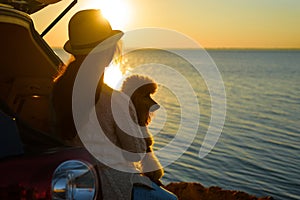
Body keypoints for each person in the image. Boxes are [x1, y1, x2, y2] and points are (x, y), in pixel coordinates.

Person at [52, 9, 177, 200]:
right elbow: (135, 154)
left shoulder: (58, 90)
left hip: (73, 183)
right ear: (108, 53)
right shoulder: (116, 101)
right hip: (112, 187)